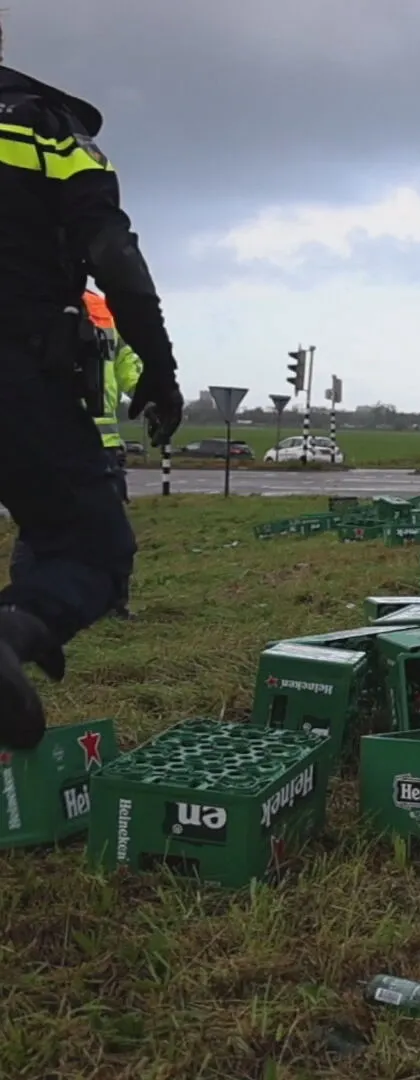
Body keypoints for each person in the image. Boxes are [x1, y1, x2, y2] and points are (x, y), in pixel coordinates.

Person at [0, 28, 185, 750]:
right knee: (90, 550)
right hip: (17, 374)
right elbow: (113, 251)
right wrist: (160, 367)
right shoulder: (46, 128)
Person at [11, 290, 141, 618]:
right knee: (47, 526)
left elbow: (123, 359)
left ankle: (111, 603)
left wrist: (146, 391)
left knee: (106, 527)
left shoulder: (100, 307)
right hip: (52, 435)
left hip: (96, 440)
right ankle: (26, 608)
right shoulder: (27, 293)